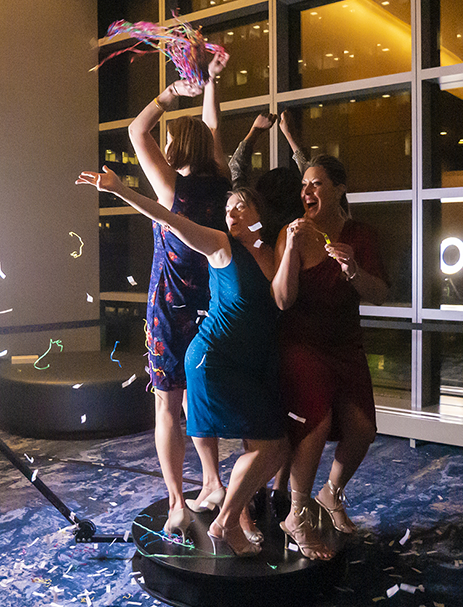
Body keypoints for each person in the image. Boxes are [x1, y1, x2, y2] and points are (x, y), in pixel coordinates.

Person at [76, 170, 288, 557]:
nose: (232, 214)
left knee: (275, 447)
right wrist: (121, 190)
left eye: (241, 207)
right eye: (228, 209)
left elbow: (283, 300)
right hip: (214, 359)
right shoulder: (220, 245)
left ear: (260, 213)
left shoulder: (270, 252)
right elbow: (169, 219)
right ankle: (227, 522)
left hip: (247, 363)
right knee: (269, 445)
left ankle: (229, 514)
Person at [126, 52, 230, 537]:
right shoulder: (221, 183)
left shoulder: (171, 189)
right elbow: (214, 128)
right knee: (198, 398)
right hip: (211, 306)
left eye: (169, 144)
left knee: (167, 406)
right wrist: (209, 82)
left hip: (169, 309)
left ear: (176, 148)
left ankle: (176, 504)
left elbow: (136, 131)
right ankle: (212, 482)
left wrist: (171, 93)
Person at [272, 154, 389, 560]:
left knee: (363, 429)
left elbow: (380, 293)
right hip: (301, 344)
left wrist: (353, 268)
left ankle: (331, 493)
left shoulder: (361, 235)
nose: (307, 191)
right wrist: (290, 249)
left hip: (345, 344)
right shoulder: (291, 232)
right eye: (304, 185)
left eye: (316, 184)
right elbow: (282, 301)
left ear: (339, 190)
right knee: (316, 421)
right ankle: (296, 514)